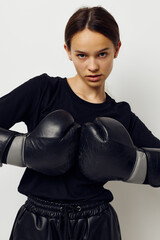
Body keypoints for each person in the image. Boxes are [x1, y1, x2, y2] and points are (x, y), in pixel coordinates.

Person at [0, 6, 160, 240]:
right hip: (37, 223)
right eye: (82, 55)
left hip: (97, 224)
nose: (92, 66)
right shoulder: (43, 91)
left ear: (117, 49)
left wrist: (131, 164)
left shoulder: (121, 114)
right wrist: (24, 151)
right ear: (68, 51)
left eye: (102, 54)